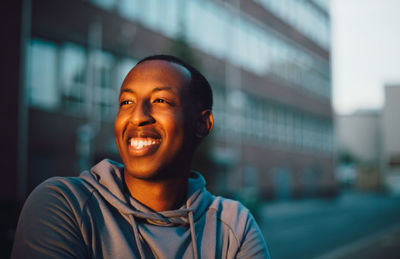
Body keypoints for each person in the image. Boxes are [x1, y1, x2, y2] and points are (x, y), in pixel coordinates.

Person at [11, 55, 270, 258]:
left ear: (202, 124)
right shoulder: (65, 205)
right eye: (126, 103)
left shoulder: (233, 227)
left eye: (160, 101)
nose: (138, 116)